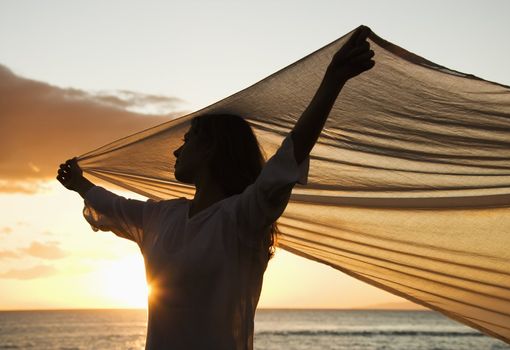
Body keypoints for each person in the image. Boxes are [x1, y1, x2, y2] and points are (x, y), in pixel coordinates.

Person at [57, 25, 375, 350]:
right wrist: (79, 183)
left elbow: (289, 156)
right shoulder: (161, 216)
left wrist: (332, 81)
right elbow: (114, 205)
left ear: (211, 148)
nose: (177, 151)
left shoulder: (240, 220)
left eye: (187, 139)